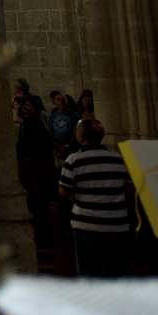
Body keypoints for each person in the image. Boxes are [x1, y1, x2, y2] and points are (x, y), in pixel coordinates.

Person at [58, 117, 135, 278]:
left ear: (80, 135)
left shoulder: (73, 160)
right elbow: (128, 189)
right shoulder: (118, 158)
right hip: (117, 224)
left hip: (87, 225)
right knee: (115, 272)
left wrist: (82, 198)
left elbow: (64, 191)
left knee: (90, 274)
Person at [16, 96, 59, 258]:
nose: (25, 109)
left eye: (29, 106)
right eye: (24, 106)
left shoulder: (37, 124)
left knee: (41, 207)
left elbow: (42, 147)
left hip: (40, 172)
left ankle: (45, 239)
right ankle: (42, 238)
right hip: (33, 172)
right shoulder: (26, 125)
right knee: (36, 207)